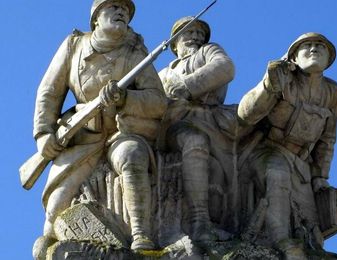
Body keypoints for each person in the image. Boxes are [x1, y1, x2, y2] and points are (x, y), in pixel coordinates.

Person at [33, 0, 167, 254]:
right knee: (56, 207)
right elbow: (49, 92)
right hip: (82, 135)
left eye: (125, 10)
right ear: (96, 18)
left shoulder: (136, 52)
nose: (121, 12)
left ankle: (141, 235)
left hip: (121, 130)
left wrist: (125, 98)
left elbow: (158, 102)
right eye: (113, 7)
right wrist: (43, 133)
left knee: (131, 157)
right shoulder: (74, 45)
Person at [238, 33, 337, 258]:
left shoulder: (331, 92)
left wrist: (321, 177)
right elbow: (246, 114)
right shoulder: (281, 76)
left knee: (311, 226)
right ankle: (282, 242)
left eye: (320, 47)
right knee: (277, 173)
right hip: (266, 151)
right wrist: (269, 85)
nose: (314, 49)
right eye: (308, 46)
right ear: (293, 57)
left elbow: (327, 139)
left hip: (301, 163)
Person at [158, 17, 235, 243]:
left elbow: (225, 68)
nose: (196, 37)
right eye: (188, 32)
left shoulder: (209, 52)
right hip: (173, 125)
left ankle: (204, 220)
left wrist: (186, 87)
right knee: (194, 141)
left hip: (210, 120)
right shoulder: (162, 74)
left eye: (200, 33)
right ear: (174, 43)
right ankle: (198, 220)